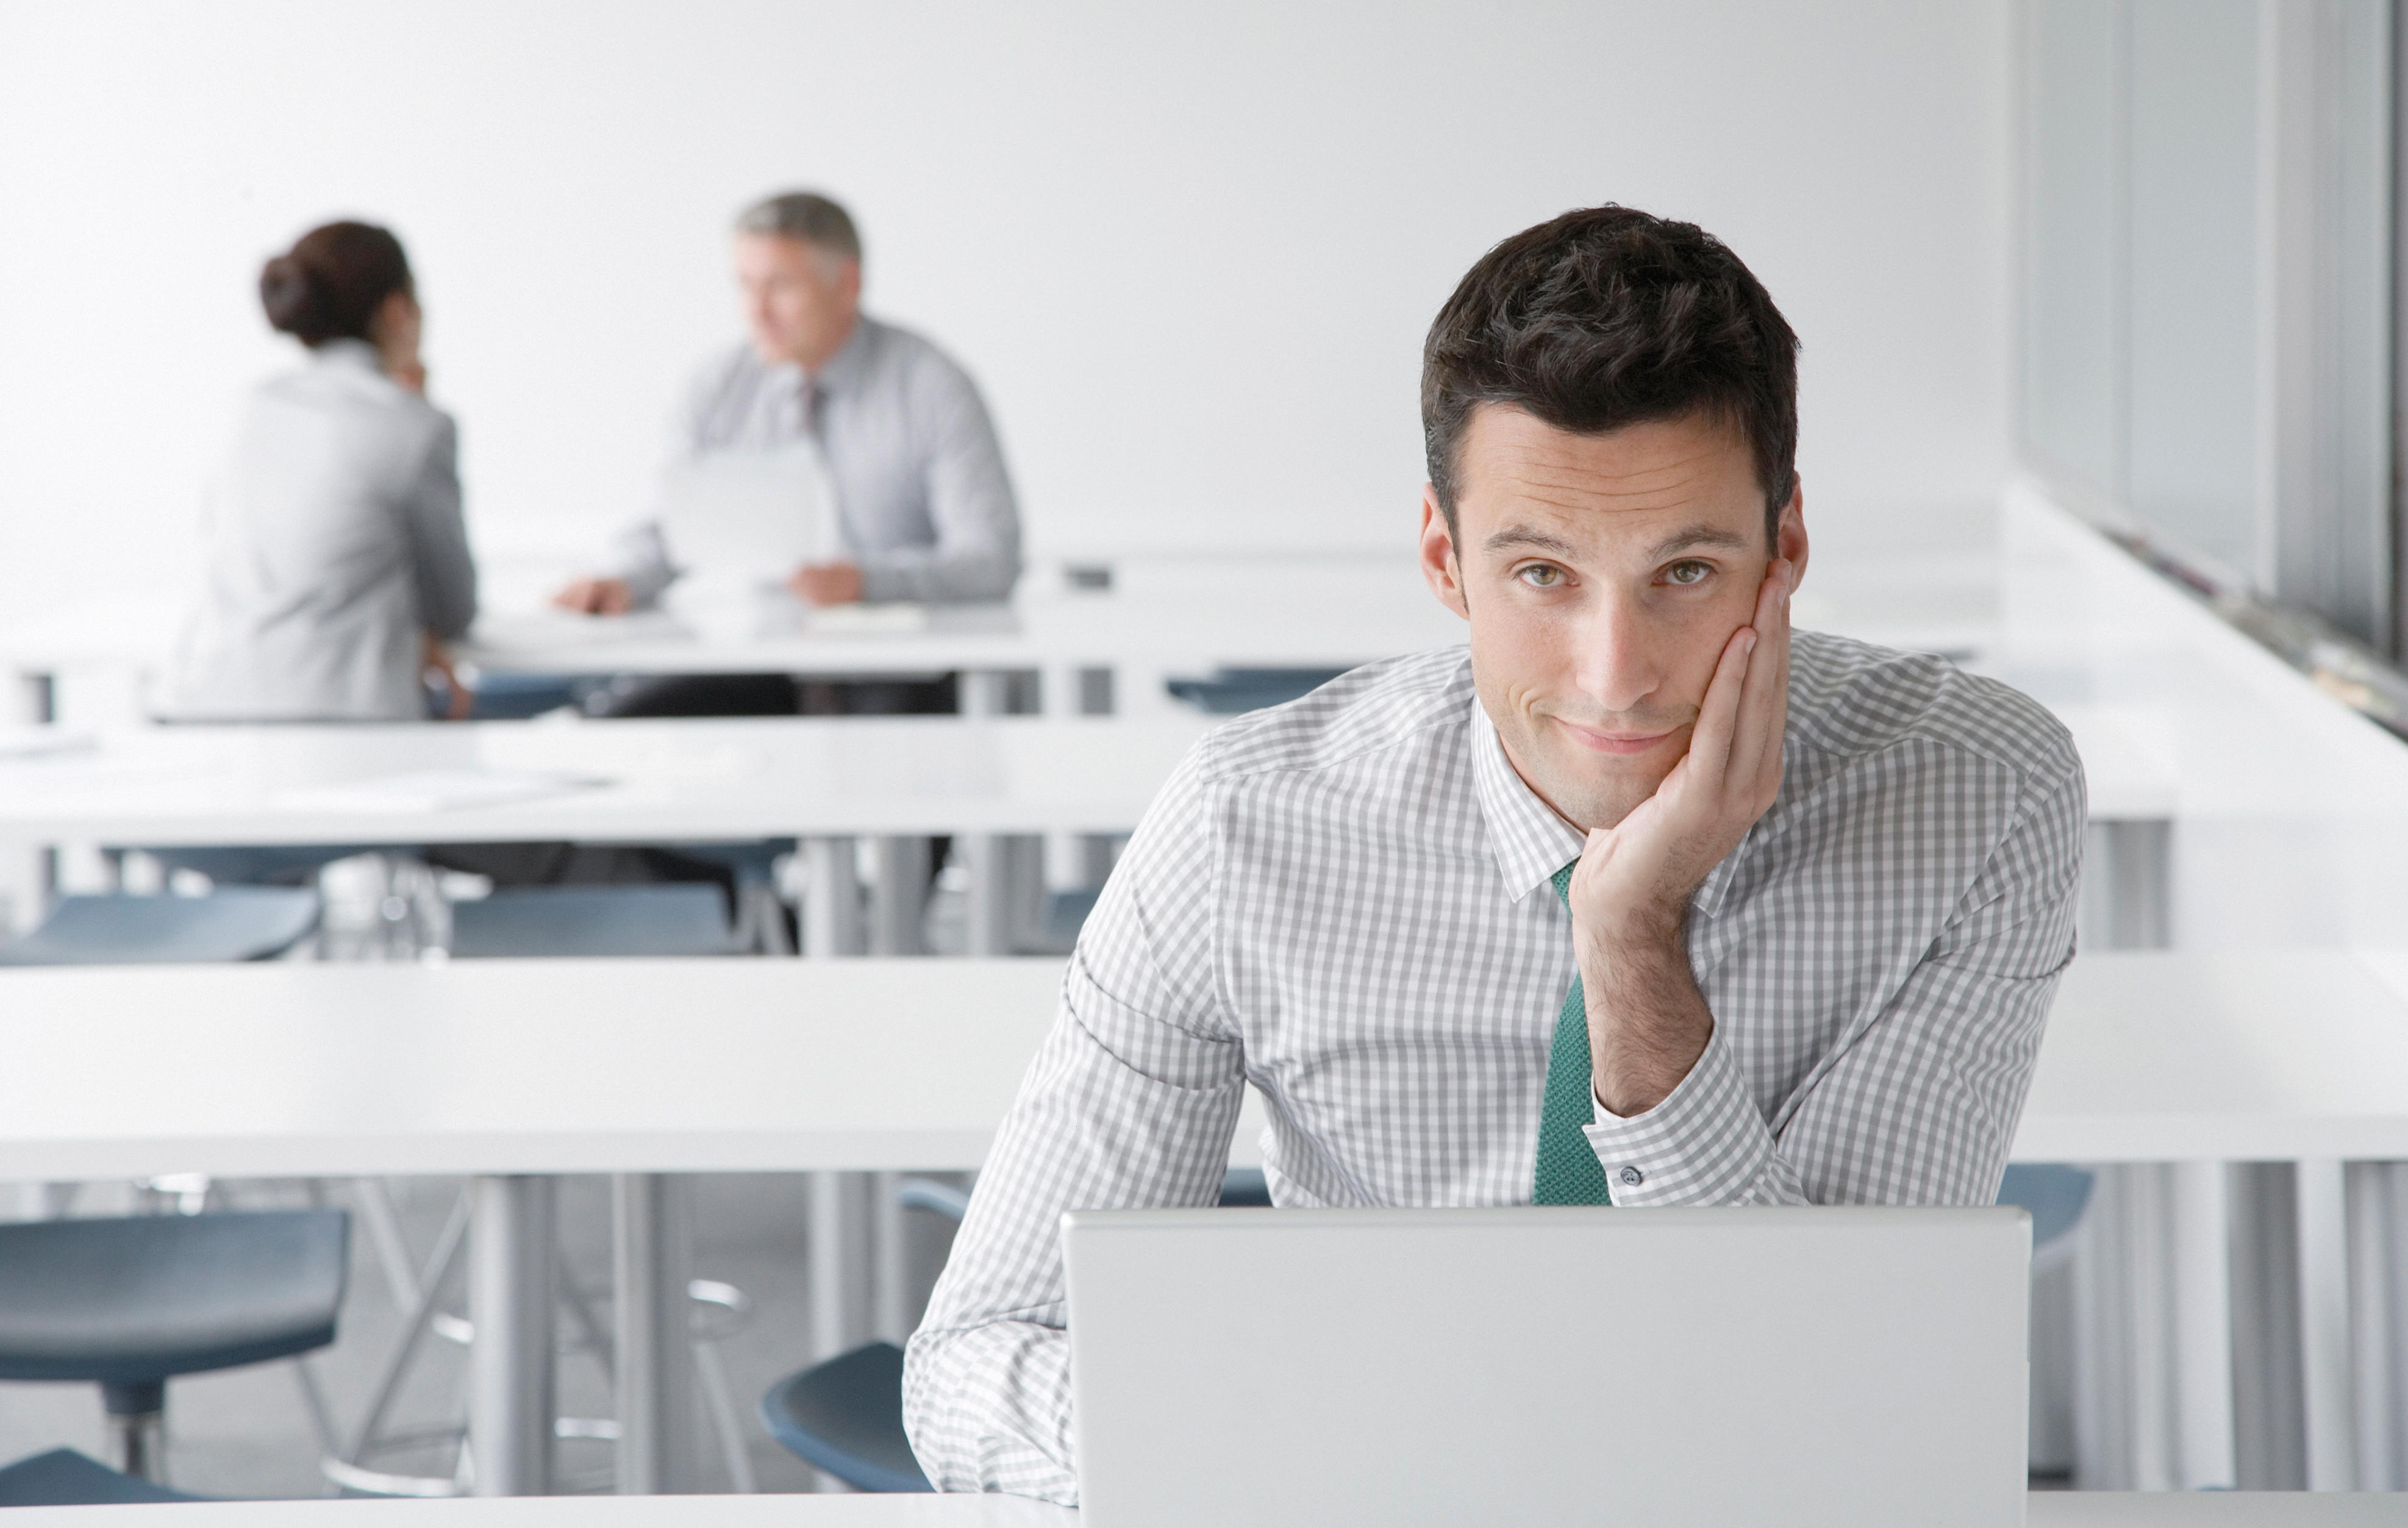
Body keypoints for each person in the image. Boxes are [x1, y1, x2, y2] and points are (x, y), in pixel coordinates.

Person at [901, 205, 2085, 1502]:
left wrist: (1629, 936)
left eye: (1685, 572)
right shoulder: (1245, 823)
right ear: (1442, 559)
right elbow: (972, 1361)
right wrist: (1329, 1470)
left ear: (1785, 549)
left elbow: (1834, 1422)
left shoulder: (1975, 792)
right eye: (1541, 575)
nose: (1616, 676)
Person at [552, 190, 1021, 715]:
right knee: (618, 723)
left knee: (889, 751)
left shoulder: (931, 386)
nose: (757, 312)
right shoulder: (720, 386)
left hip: (901, 664)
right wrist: (620, 579)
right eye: (745, 286)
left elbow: (990, 559)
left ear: (846, 284)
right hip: (764, 656)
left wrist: (866, 583)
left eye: (780, 287)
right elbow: (675, 524)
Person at [171, 221, 474, 721]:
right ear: (399, 311)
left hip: (202, 705)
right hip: (342, 722)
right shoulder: (412, 425)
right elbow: (452, 612)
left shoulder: (245, 411)